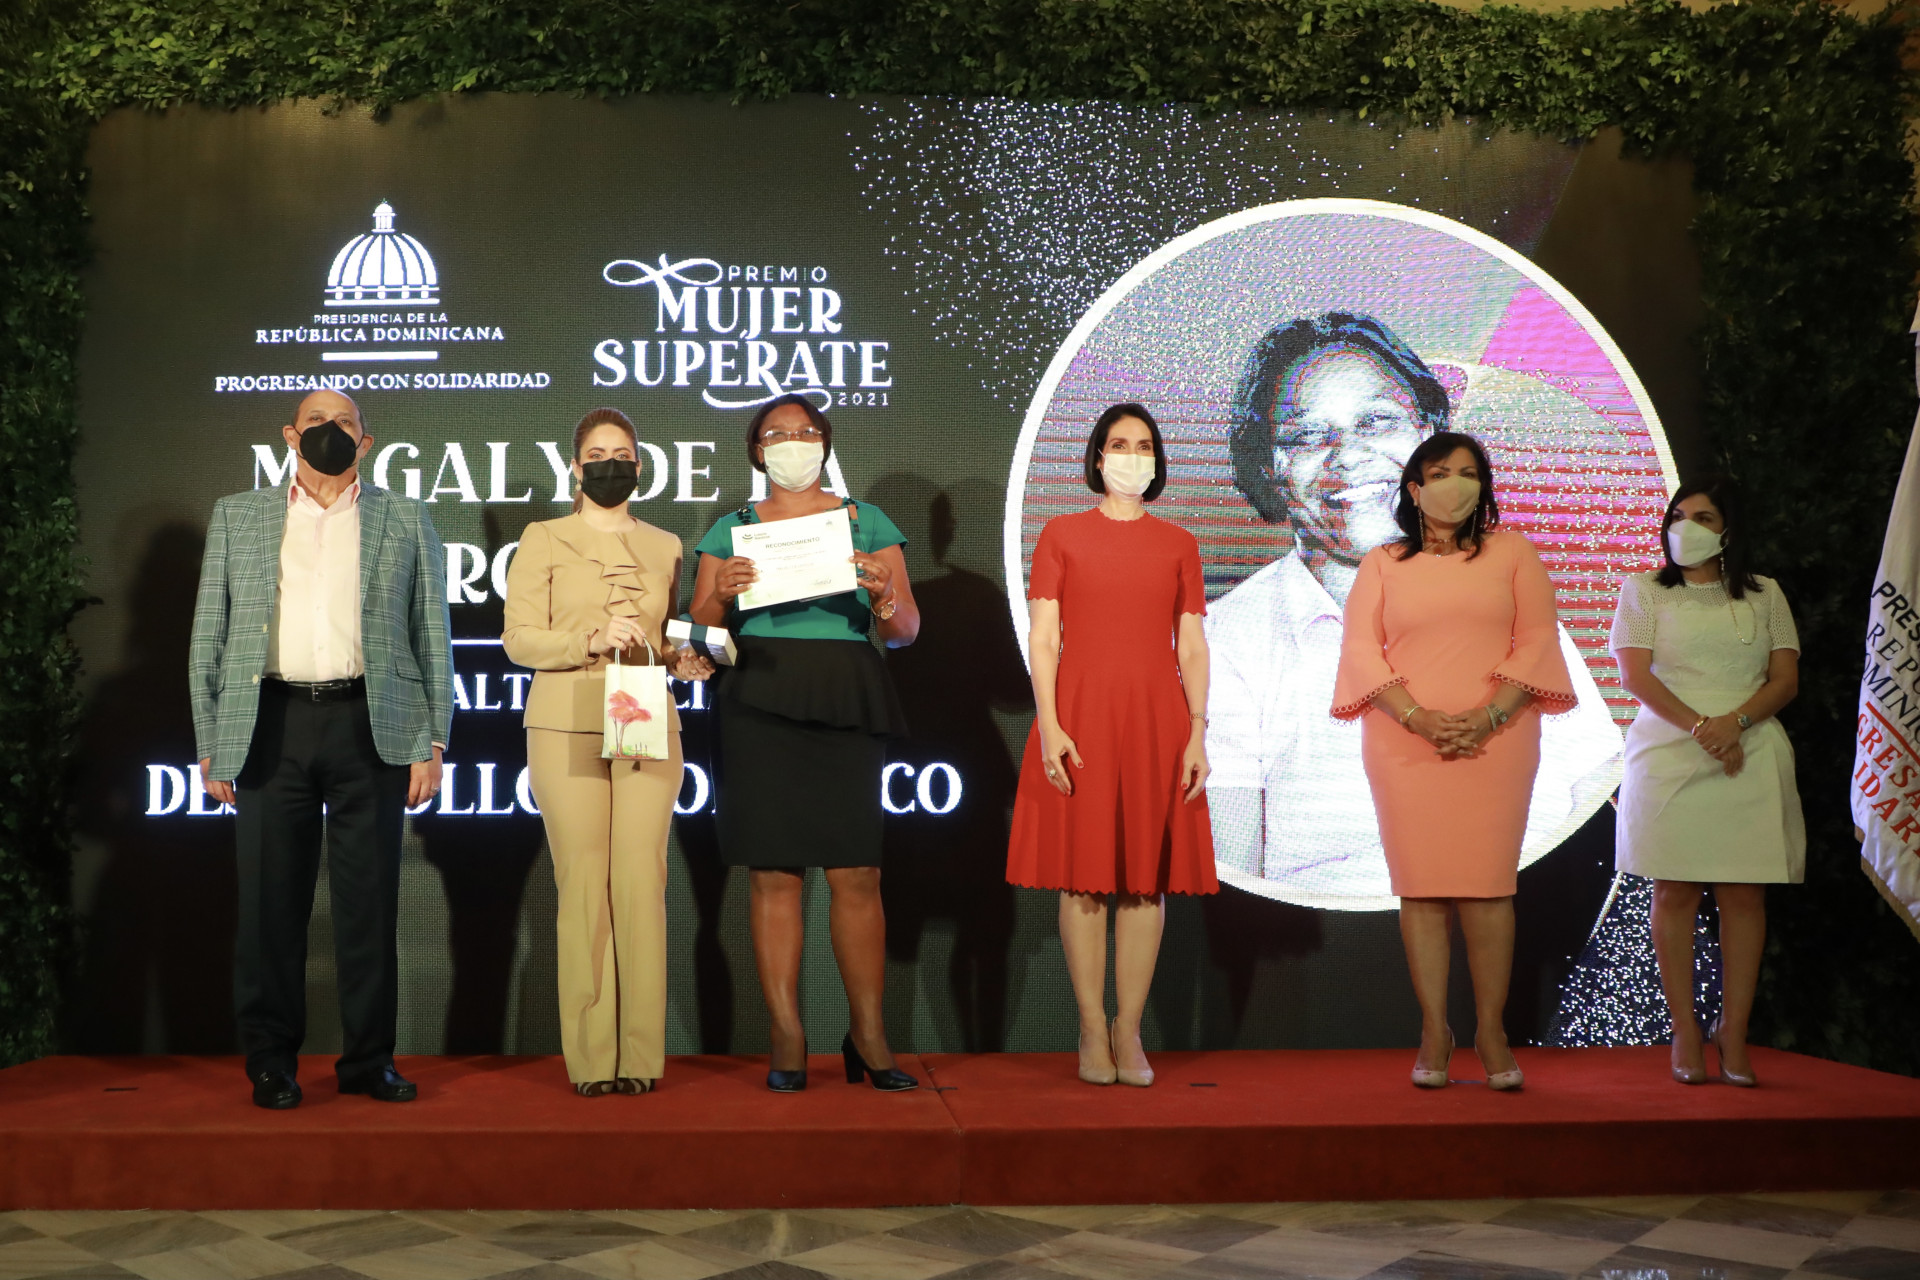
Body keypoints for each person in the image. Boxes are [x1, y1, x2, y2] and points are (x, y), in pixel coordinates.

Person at [1208, 312, 1621, 907]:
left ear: (1428, 435)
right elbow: (1234, 881)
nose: (1347, 456)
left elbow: (1597, 794)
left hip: (1543, 920)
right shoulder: (1226, 641)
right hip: (1352, 947)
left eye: (1376, 421)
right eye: (1306, 436)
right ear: (1269, 467)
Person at [189, 389, 452, 1109]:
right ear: (289, 435)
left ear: (365, 442)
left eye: (343, 423)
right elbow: (209, 635)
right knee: (270, 908)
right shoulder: (238, 516)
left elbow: (431, 632)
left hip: (371, 721)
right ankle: (271, 1062)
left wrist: (432, 738)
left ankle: (369, 1061)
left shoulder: (405, 517)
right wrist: (212, 740)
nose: (328, 432)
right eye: (315, 422)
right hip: (269, 723)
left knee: (370, 906)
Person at [1330, 430, 1578, 1091]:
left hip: (1498, 741)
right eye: (1440, 473)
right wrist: (1417, 717)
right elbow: (1361, 651)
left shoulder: (1513, 552)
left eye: (1468, 473)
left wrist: (1490, 715)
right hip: (1403, 742)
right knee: (1423, 889)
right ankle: (1434, 1029)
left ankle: (1491, 1030)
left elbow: (1537, 639)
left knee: (1489, 888)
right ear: (1414, 489)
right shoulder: (1383, 562)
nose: (1455, 485)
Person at [688, 393, 921, 1092]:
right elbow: (699, 632)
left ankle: (868, 1033)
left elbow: (905, 631)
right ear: (757, 451)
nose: (793, 442)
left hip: (844, 691)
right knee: (773, 872)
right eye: (776, 434)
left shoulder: (865, 521)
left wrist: (881, 593)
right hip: (759, 693)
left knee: (857, 872)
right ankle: (786, 1033)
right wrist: (719, 594)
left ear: (824, 443)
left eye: (806, 431)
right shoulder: (730, 528)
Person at [503, 407, 714, 1097]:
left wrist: (686, 660)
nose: (609, 465)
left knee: (641, 882)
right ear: (575, 467)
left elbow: (669, 636)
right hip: (565, 719)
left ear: (639, 467)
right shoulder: (543, 537)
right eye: (596, 455)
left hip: (644, 713)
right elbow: (518, 640)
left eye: (621, 454)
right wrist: (587, 640)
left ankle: (640, 1056)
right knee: (585, 885)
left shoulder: (666, 545)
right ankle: (593, 1059)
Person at [1006, 403, 1216, 1088]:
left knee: (1144, 884)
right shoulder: (1061, 535)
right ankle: (1091, 1028)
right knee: (1085, 879)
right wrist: (1050, 722)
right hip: (1081, 718)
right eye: (1119, 444)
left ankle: (1129, 1030)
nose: (1132, 456)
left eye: (1144, 445)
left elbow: (1191, 645)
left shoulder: (1179, 543)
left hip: (1157, 721)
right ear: (1098, 457)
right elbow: (1044, 637)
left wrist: (1198, 730)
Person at [1611, 477, 1802, 1087]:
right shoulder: (1643, 589)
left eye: (1702, 516)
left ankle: (1734, 1031)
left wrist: (1734, 723)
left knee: (1744, 896)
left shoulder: (1766, 593)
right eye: (1677, 515)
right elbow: (1635, 676)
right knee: (1673, 892)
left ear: (1728, 530)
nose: (1685, 526)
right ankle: (1685, 1029)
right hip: (1670, 750)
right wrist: (1701, 727)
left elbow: (1785, 678)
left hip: (1750, 746)